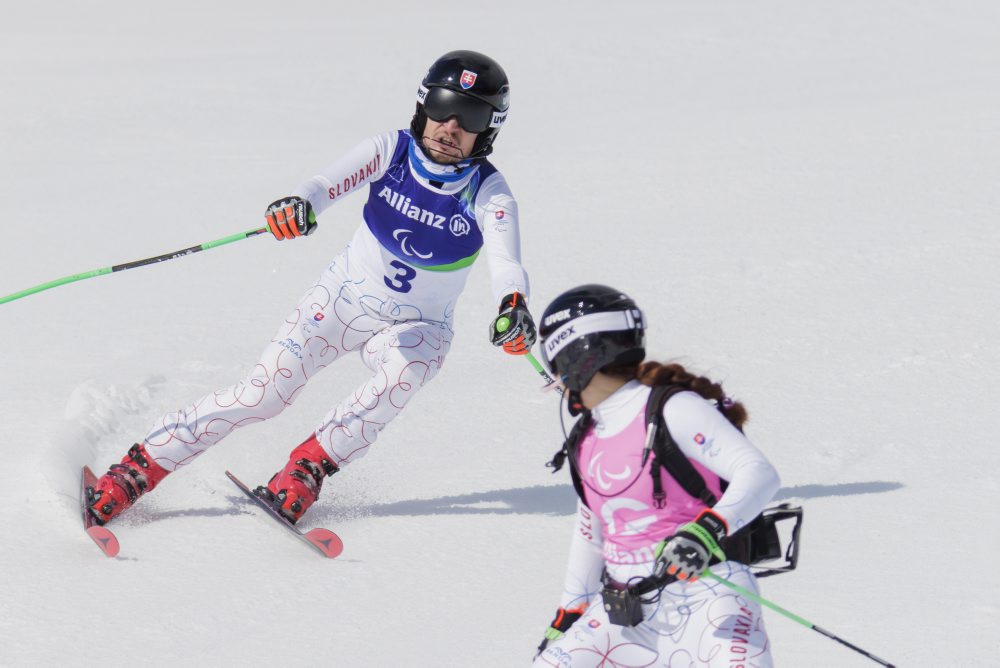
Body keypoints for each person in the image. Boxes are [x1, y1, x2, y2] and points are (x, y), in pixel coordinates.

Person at [85, 50, 537, 527]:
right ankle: (140, 466)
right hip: (342, 300)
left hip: (417, 325)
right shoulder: (391, 151)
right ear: (423, 106)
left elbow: (507, 264)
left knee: (409, 372)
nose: (450, 127)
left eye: (470, 117)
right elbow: (322, 186)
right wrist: (298, 206)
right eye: (443, 107)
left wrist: (514, 306)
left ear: (488, 130)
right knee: (263, 395)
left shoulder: (488, 193)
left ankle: (308, 467)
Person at [533, 284, 781, 667]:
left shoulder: (672, 409)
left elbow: (758, 473)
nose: (557, 380)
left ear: (578, 357)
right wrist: (569, 613)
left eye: (556, 366)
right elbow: (591, 529)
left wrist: (706, 530)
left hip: (706, 596)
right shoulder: (587, 435)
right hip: (624, 611)